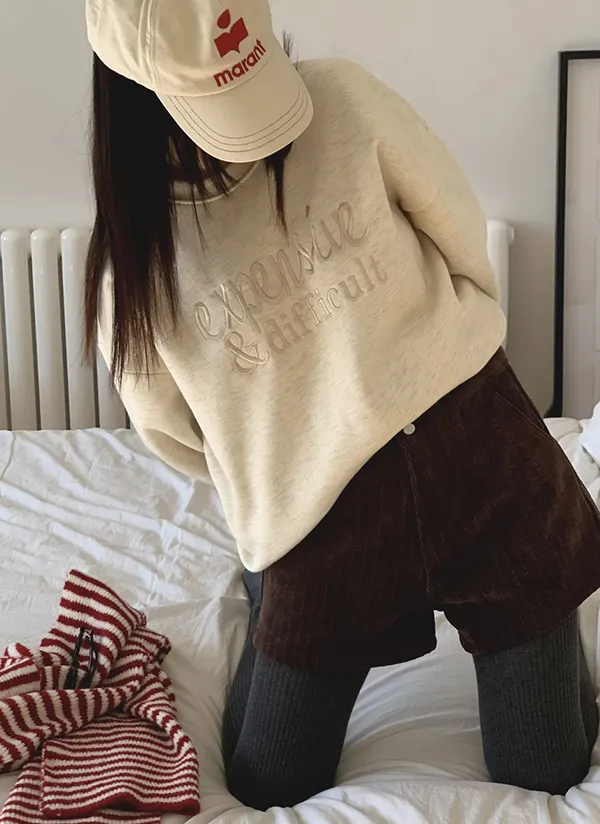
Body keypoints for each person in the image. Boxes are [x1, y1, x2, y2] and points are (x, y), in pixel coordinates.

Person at [85, 0, 600, 811]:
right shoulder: (135, 264)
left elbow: (456, 233)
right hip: (322, 533)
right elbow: (174, 432)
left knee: (550, 768)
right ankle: (266, 580)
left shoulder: (344, 99)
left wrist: (448, 354)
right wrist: (279, 472)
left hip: (488, 460)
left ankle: (538, 607)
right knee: (265, 782)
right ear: (133, 86)